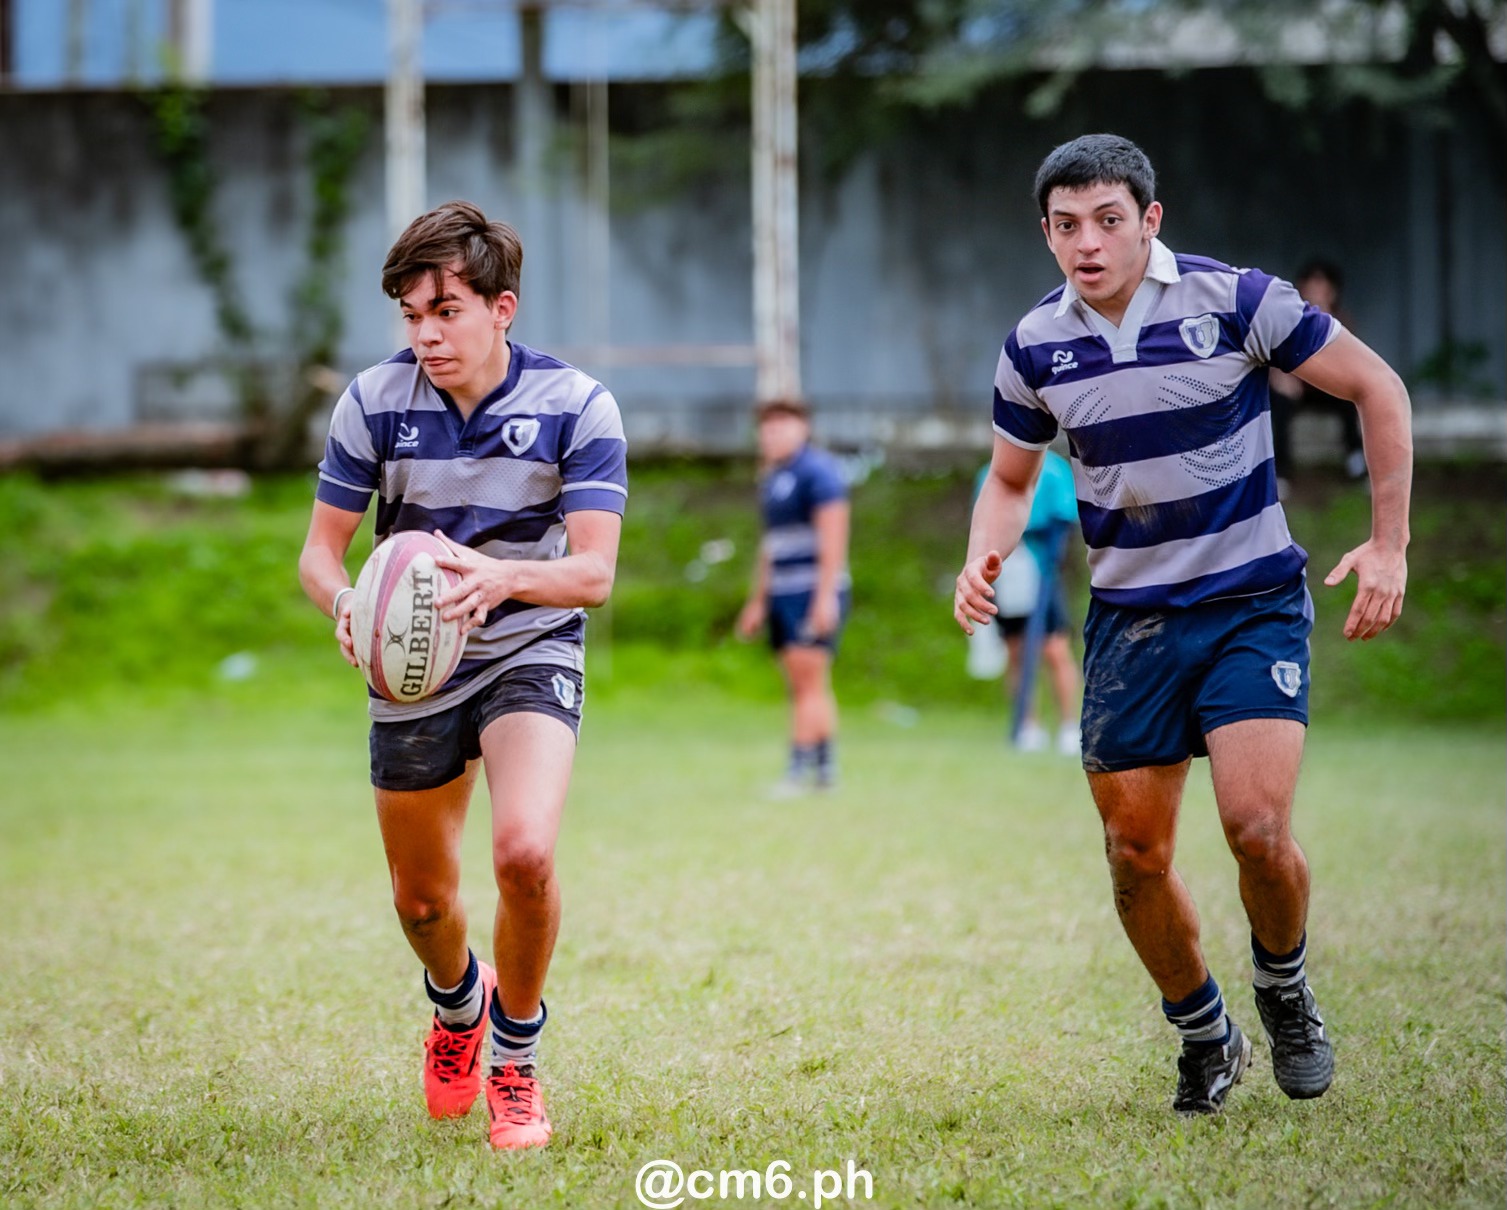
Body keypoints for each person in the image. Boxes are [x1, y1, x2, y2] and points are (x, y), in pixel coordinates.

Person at [954, 135, 1411, 1115]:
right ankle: (1203, 1029)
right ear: (1046, 233)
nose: (1088, 242)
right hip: (1131, 620)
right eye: (1067, 225)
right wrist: (979, 555)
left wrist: (1388, 544)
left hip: (1248, 601)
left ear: (1149, 220)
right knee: (1133, 859)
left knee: (1254, 826)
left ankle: (1284, 990)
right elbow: (1007, 475)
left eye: (1108, 220)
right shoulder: (1035, 342)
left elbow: (1379, 388)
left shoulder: (1237, 301)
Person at [297, 200, 627, 1150]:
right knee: (422, 901)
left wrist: (503, 578)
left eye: (446, 310)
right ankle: (457, 1007)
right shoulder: (374, 401)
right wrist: (346, 606)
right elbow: (320, 554)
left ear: (502, 307)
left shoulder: (575, 405)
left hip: (529, 644)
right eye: (411, 314)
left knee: (524, 853)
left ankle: (516, 1063)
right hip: (412, 666)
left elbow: (593, 574)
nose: (427, 333)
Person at [736, 399, 851, 795]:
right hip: (783, 593)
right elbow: (771, 547)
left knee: (808, 684)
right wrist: (757, 601)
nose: (772, 435)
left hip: (810, 592)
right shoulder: (773, 478)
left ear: (803, 429)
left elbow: (834, 538)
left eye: (782, 427)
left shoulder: (817, 472)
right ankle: (825, 768)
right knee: (806, 684)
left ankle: (798, 772)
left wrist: (825, 597)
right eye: (766, 429)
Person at [974, 448, 1082, 755]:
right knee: (1016, 650)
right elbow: (984, 523)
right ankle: (1027, 725)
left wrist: (1050, 557)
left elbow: (1063, 519)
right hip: (1007, 573)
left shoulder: (1053, 469)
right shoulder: (990, 472)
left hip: (1042, 570)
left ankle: (1068, 727)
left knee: (1055, 648)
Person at [1269, 258, 1367, 485]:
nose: (1314, 292)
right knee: (1278, 403)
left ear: (1332, 292)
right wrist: (1281, 377)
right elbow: (1273, 357)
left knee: (1348, 402)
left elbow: (1351, 364)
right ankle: (1281, 470)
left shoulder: (1341, 323)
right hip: (1297, 388)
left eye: (1320, 287)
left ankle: (1356, 461)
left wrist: (1321, 316)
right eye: (1309, 287)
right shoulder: (1288, 319)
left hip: (1329, 388)